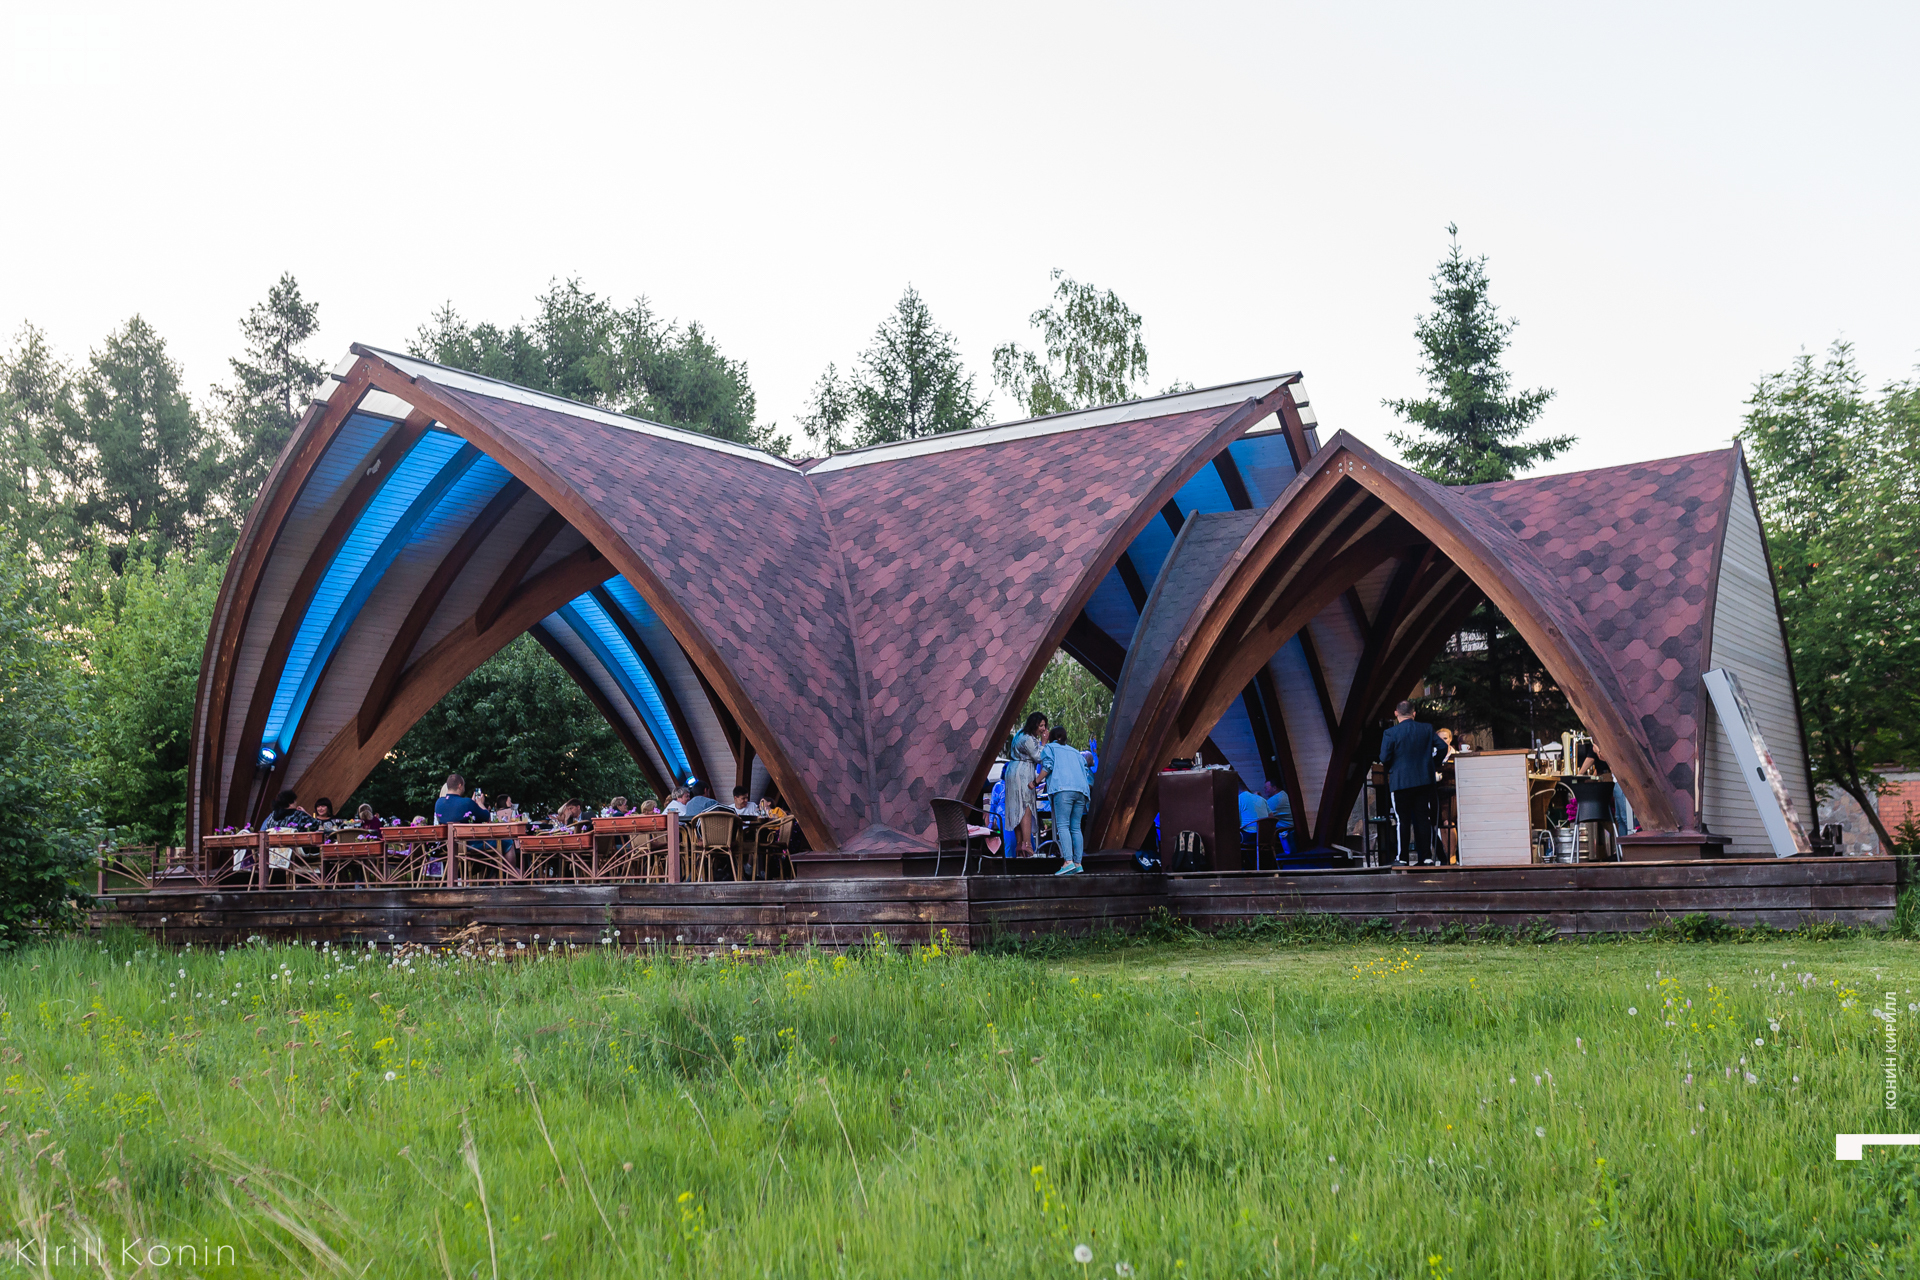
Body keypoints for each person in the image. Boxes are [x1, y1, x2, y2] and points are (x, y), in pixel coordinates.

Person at [1380, 701, 1446, 867]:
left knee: (1402, 820)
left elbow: (1384, 757)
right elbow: (1443, 747)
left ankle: (1402, 858)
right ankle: (1427, 857)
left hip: (1400, 781)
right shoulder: (1426, 729)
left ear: (1396, 713)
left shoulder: (1390, 733)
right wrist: (1433, 764)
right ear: (1414, 713)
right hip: (1424, 780)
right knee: (1423, 818)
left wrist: (1393, 767)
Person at [1038, 726, 1092, 875]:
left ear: (1052, 737)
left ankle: (1068, 862)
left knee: (1063, 826)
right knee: (1076, 828)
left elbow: (1047, 766)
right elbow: (1085, 770)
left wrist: (1035, 782)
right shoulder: (1075, 752)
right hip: (1081, 790)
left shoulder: (1049, 748)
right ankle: (1078, 863)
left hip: (1063, 789)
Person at [1004, 714, 1047, 856]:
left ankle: (1019, 843)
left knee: (1016, 807)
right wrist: (1044, 743)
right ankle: (1027, 843)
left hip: (1012, 771)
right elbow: (1039, 757)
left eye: (1044, 725)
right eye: (1041, 725)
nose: (1043, 729)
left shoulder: (1019, 734)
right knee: (1026, 806)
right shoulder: (1029, 738)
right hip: (1023, 772)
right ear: (1034, 724)